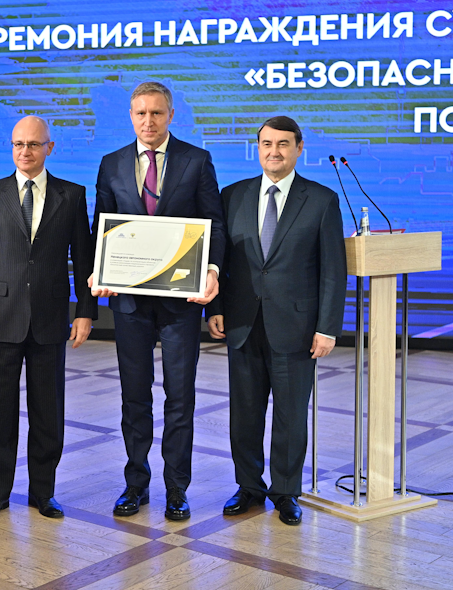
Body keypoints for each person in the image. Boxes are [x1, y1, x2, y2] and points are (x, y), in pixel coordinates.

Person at [91, 82, 226, 520]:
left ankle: (176, 488)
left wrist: (212, 270)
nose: (148, 121)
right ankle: (135, 484)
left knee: (179, 397)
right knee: (134, 397)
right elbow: (102, 226)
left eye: (156, 113)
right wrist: (100, 268)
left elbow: (214, 224)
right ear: (131, 116)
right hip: (129, 301)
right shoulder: (111, 163)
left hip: (179, 302)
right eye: (140, 113)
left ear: (170, 115)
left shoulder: (196, 160)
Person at [207, 116, 347, 526]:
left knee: (290, 416)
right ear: (258, 148)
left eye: (283, 144)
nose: (274, 151)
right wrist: (214, 309)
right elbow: (220, 260)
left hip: (297, 328)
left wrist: (327, 328)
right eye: (267, 144)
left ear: (299, 149)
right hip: (242, 324)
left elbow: (333, 271)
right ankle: (249, 487)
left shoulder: (321, 200)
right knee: (244, 414)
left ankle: (286, 491)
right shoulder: (233, 195)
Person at [0, 116, 97, 522]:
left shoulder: (72, 195)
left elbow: (84, 259)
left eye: (34, 144)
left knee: (47, 413)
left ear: (49, 148)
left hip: (50, 319)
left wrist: (85, 311)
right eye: (18, 144)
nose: (25, 151)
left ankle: (44, 493)